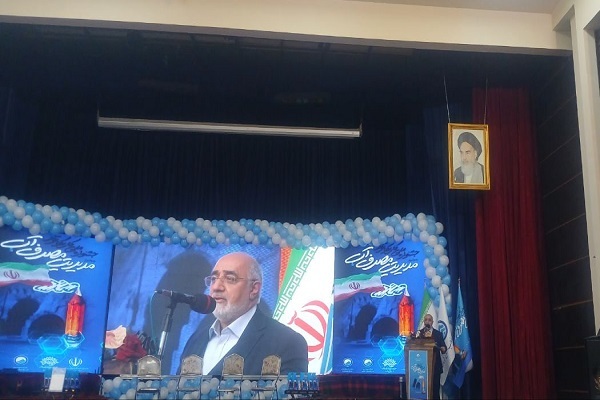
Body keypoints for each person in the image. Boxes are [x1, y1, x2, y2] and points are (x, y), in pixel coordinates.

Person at [180, 252, 308, 376]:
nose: (216, 287)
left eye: (230, 279)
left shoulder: (287, 342)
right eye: (213, 279)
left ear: (253, 289)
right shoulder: (196, 339)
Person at [416, 313, 447, 400]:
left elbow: (444, 348)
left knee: (435, 389)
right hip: (422, 366)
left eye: (429, 320)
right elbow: (415, 346)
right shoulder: (419, 333)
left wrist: (443, 348)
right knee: (423, 389)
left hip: (435, 366)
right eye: (426, 320)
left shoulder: (438, 334)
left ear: (432, 322)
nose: (427, 321)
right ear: (424, 322)